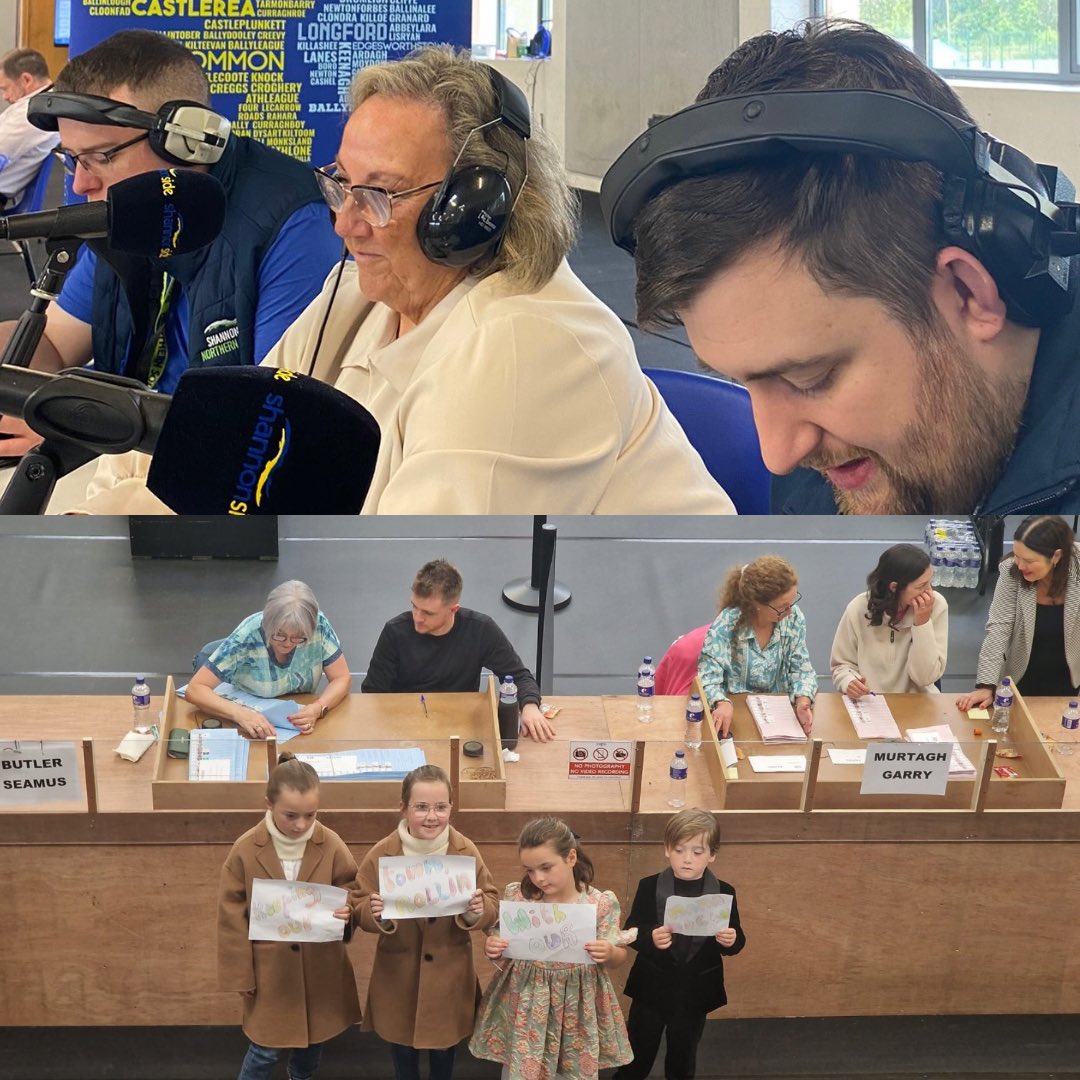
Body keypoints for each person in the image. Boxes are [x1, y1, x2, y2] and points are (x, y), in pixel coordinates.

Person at [605, 20, 1080, 515]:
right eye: (742, 384)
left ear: (967, 292)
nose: (777, 455)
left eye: (811, 379)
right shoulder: (834, 454)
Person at [260, 44, 734, 515]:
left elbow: (421, 576)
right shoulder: (352, 298)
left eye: (381, 193)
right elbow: (245, 437)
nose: (345, 224)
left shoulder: (523, 342)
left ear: (469, 207)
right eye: (342, 183)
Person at [0, 29, 340, 495]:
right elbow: (56, 345)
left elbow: (271, 419)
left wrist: (90, 423)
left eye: (99, 157)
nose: (79, 185)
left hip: (222, 484)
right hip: (118, 462)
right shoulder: (130, 215)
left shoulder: (295, 224)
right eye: (71, 158)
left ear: (187, 141)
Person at [218, 752, 360, 1080]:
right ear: (268, 804)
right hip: (271, 974)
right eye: (290, 815)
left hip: (320, 969)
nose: (301, 825)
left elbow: (351, 886)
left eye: (310, 815)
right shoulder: (244, 850)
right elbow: (230, 919)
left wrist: (348, 910)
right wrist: (242, 976)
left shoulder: (331, 843)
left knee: (312, 1045)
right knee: (264, 1050)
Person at [351, 765, 499, 1080]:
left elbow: (491, 902)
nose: (432, 816)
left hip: (449, 973)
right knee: (402, 1049)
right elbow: (358, 902)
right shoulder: (383, 853)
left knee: (444, 1050)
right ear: (403, 808)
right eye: (421, 807)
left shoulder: (465, 850)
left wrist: (478, 908)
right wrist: (372, 912)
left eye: (440, 807)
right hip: (398, 973)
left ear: (451, 808)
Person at [468, 817, 633, 1079]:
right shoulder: (520, 897)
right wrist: (494, 945)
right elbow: (501, 939)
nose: (539, 878)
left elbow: (619, 955)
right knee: (523, 1067)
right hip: (527, 998)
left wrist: (610, 953)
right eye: (530, 870)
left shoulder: (597, 903)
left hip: (578, 1000)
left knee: (572, 1070)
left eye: (546, 867)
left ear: (571, 858)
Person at [615, 808, 746, 1080]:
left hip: (695, 991)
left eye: (697, 852)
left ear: (712, 854)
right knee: (637, 1053)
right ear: (667, 849)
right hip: (652, 989)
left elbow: (736, 940)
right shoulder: (650, 886)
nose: (687, 859)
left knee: (683, 1057)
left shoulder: (724, 892)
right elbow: (631, 930)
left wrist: (731, 940)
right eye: (679, 850)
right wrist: (650, 936)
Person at [362, 558, 554, 741]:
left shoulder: (480, 629)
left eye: (428, 613)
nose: (417, 618)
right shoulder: (395, 632)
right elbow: (372, 694)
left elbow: (518, 676)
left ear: (453, 609)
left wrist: (529, 706)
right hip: (405, 729)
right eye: (414, 606)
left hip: (460, 728)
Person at [186, 580, 351, 740]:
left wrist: (318, 708)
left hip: (296, 722)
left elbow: (341, 677)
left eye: (298, 638)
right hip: (249, 719)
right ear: (267, 622)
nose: (287, 644)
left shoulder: (319, 626)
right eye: (279, 635)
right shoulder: (247, 636)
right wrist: (241, 714)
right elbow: (195, 689)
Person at [957, 516, 1080, 709]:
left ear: (1056, 556)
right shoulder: (1011, 570)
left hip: (1071, 674)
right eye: (1017, 555)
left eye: (1029, 560)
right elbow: (998, 628)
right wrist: (985, 685)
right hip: (1021, 673)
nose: (1020, 565)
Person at [698, 555, 817, 737]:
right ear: (757, 604)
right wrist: (721, 702)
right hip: (736, 718)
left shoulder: (793, 619)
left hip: (779, 719)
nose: (790, 611)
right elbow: (707, 677)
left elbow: (802, 669)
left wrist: (803, 698)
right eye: (782, 606)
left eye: (792, 602)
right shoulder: (727, 624)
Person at [831, 544, 949, 697]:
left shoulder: (937, 606)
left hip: (918, 702)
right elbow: (841, 665)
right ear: (894, 587)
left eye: (930, 582)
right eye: (921, 586)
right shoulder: (858, 608)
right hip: (871, 702)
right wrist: (849, 682)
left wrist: (922, 623)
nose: (930, 592)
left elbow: (924, 678)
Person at [0, 48, 58, 206]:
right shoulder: (44, 104)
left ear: (26, 79)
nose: (5, 97)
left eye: (5, 88)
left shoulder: (31, 114)